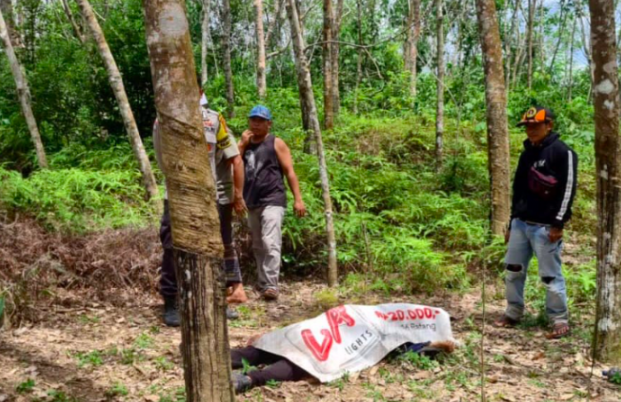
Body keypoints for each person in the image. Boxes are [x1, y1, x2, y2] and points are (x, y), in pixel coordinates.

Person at [154, 93, 248, 327]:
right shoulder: (163, 120)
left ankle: (217, 300)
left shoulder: (214, 120)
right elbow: (161, 156)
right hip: (178, 194)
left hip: (210, 196)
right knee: (172, 247)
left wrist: (235, 194)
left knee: (215, 248)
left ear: (197, 90)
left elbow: (230, 156)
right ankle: (171, 301)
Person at [228, 303, 456, 393]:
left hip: (344, 335)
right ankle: (240, 369)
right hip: (339, 323)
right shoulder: (396, 317)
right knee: (293, 351)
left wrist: (438, 346)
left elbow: (411, 348)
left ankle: (247, 377)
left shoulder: (408, 335)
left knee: (304, 359)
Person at [494, 106, 578, 339]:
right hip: (522, 224)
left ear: (548, 125)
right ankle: (513, 312)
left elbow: (568, 189)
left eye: (535, 126)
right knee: (513, 270)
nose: (530, 130)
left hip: (545, 227)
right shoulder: (526, 153)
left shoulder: (563, 153)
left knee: (550, 276)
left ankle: (558, 318)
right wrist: (512, 222)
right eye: (527, 127)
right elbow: (518, 189)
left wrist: (558, 223)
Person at [238, 105, 306, 301]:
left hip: (273, 199)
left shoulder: (276, 143)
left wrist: (298, 199)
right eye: (253, 120)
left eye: (260, 121)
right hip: (251, 200)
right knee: (258, 244)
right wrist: (242, 144)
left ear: (269, 123)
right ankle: (262, 281)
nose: (256, 124)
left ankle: (271, 284)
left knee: (270, 241)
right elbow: (232, 164)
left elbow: (290, 172)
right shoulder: (245, 144)